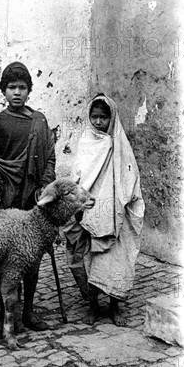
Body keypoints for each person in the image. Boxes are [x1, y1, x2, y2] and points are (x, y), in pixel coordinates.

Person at [0, 62, 56, 331]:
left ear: (29, 91)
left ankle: (29, 312)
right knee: (8, 263)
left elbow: (50, 158)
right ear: (3, 91)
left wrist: (44, 186)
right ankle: (6, 313)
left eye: (22, 88)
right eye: (11, 88)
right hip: (8, 203)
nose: (17, 93)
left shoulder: (40, 121)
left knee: (32, 260)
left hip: (33, 202)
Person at [64, 93, 145, 326]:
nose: (98, 122)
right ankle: (92, 305)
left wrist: (126, 199)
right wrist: (78, 201)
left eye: (103, 117)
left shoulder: (119, 145)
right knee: (89, 257)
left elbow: (130, 176)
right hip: (90, 210)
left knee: (114, 259)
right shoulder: (85, 142)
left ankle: (114, 305)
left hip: (114, 213)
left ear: (112, 118)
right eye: (94, 117)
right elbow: (78, 175)